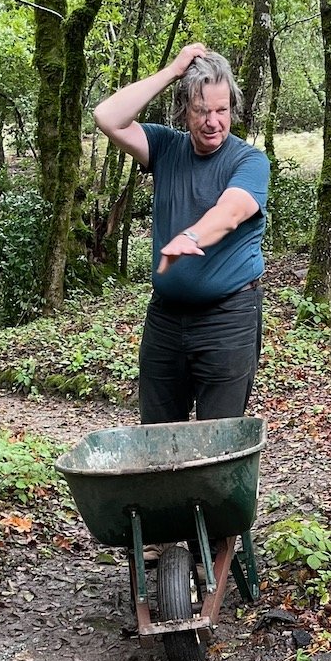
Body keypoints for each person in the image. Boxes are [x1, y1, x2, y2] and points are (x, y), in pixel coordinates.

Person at [93, 44, 269, 425]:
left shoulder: (248, 161)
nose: (212, 121)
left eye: (221, 110)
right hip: (166, 320)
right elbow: (107, 116)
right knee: (156, 436)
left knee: (218, 441)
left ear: (232, 110)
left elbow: (231, 211)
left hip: (228, 318)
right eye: (201, 110)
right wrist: (173, 70)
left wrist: (191, 236)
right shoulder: (166, 147)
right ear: (184, 110)